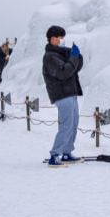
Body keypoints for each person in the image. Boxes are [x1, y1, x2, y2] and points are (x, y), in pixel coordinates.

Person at [42, 25, 84, 167]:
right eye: (60, 38)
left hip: (71, 93)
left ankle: (66, 153)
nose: (62, 40)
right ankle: (55, 155)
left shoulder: (61, 54)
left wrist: (77, 56)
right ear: (53, 39)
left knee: (73, 124)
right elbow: (64, 72)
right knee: (66, 125)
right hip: (62, 94)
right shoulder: (50, 57)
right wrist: (73, 58)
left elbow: (75, 68)